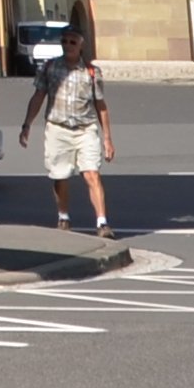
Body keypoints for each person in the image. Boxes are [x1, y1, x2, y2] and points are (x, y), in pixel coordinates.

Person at [21, 26, 114, 237]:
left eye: (73, 42)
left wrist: (107, 139)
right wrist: (27, 125)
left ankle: (102, 223)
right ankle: (63, 216)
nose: (68, 46)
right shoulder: (50, 67)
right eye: (65, 41)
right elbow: (38, 97)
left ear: (81, 45)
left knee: (92, 173)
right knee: (60, 175)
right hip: (58, 128)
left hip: (85, 129)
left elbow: (101, 106)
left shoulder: (91, 72)